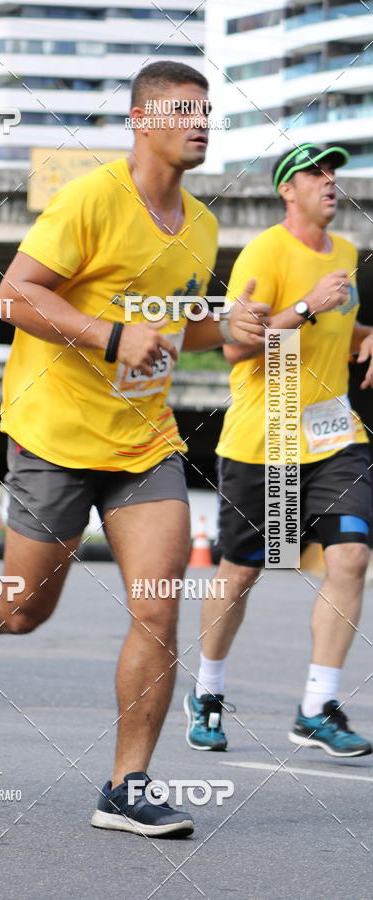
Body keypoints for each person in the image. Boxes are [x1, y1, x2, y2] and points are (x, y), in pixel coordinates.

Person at [0, 61, 268, 837]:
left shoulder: (200, 227)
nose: (201, 121)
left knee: (158, 608)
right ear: (140, 120)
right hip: (54, 435)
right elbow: (13, 294)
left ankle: (126, 786)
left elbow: (171, 327)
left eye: (209, 111)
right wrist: (109, 336)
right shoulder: (92, 198)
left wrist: (224, 330)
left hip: (145, 443)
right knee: (26, 608)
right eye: (183, 108)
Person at [186, 144, 373, 758]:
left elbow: (339, 333)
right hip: (263, 442)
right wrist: (306, 306)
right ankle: (207, 693)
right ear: (286, 190)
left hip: (333, 438)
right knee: (240, 575)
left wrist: (367, 336)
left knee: (349, 559)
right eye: (315, 174)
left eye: (333, 173)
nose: (330, 183)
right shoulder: (265, 253)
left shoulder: (346, 254)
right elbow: (238, 347)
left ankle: (317, 708)